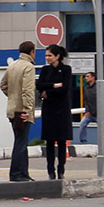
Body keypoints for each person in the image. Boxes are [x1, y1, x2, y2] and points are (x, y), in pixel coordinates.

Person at [0, 40, 37, 182]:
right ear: (32, 52)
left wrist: (12, 97)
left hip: (12, 110)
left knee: (21, 140)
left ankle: (24, 173)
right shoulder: (28, 67)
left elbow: (3, 85)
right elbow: (28, 91)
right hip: (22, 111)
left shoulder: (13, 65)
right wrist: (27, 109)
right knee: (21, 142)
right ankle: (16, 174)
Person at [36, 44, 73, 180]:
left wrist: (48, 92)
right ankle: (50, 171)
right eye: (46, 55)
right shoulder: (45, 70)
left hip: (62, 109)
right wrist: (53, 85)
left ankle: (61, 169)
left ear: (57, 56)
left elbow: (65, 89)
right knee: (49, 141)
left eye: (49, 55)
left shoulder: (66, 69)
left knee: (62, 141)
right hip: (49, 110)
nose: (47, 58)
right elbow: (39, 85)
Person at [78, 72, 104, 155]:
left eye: (88, 76)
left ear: (93, 78)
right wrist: (87, 111)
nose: (86, 78)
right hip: (90, 113)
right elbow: (86, 101)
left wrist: (103, 111)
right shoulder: (86, 88)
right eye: (85, 76)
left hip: (99, 113)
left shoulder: (99, 88)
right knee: (82, 124)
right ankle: (83, 142)